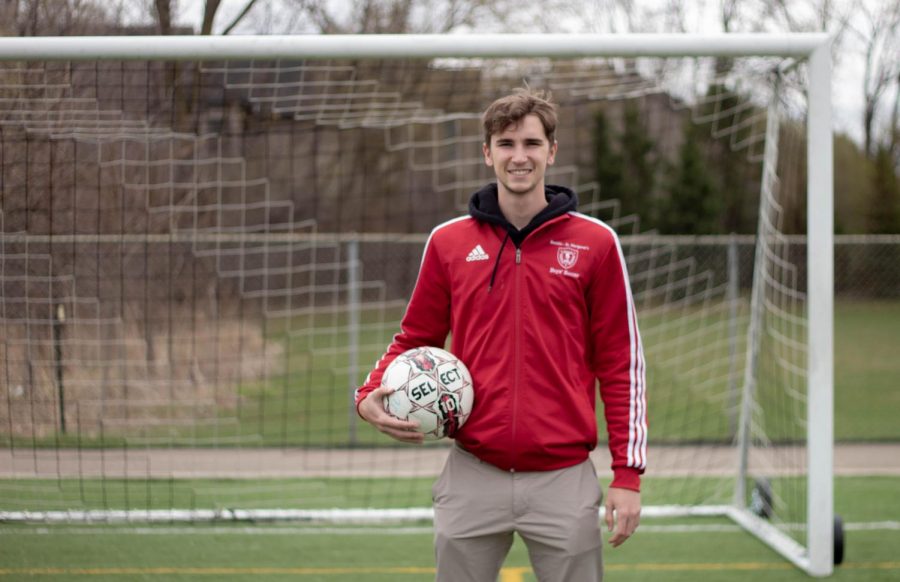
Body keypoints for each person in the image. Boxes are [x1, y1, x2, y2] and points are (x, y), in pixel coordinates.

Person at [355, 88, 647, 582]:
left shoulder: (596, 243)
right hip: (473, 471)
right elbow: (414, 336)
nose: (519, 156)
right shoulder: (449, 242)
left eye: (532, 143)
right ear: (487, 152)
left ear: (552, 152)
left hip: (563, 478)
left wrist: (627, 475)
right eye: (506, 143)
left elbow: (622, 362)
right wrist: (367, 395)